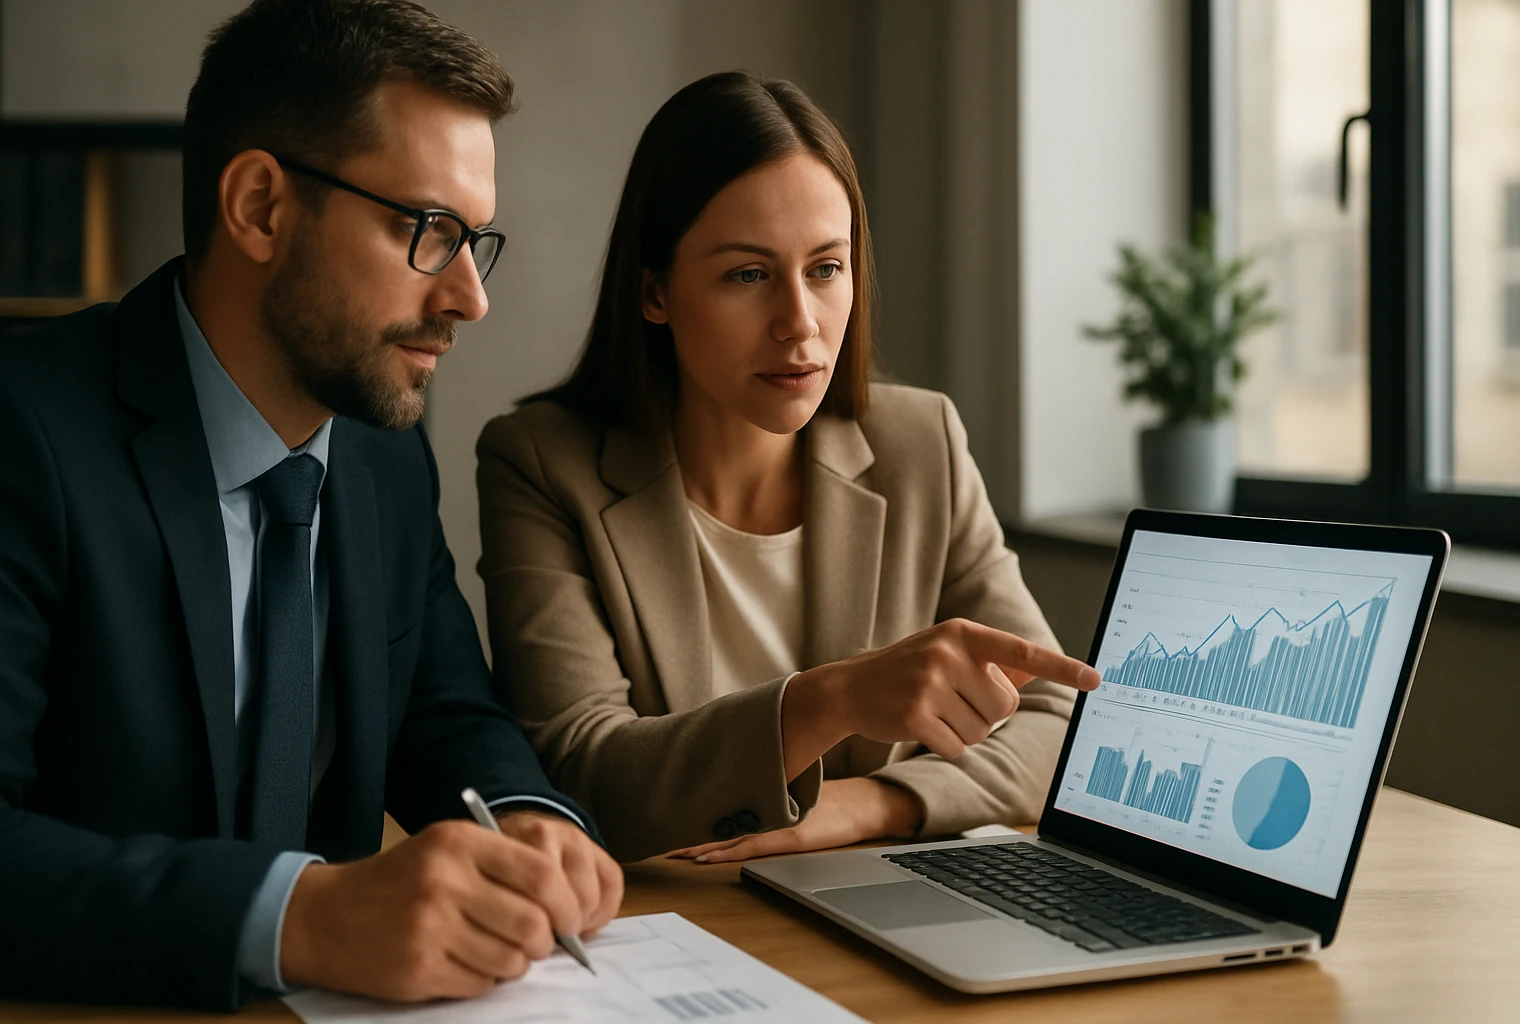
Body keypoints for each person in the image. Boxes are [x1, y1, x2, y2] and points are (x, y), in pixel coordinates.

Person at [0, 0, 621, 1011]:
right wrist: (300, 916)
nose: (470, 296)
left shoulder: (383, 447)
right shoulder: (27, 435)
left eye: (477, 240)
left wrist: (524, 817)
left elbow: (441, 709)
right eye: (427, 230)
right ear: (259, 207)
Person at [475, 72, 1102, 866]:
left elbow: (1056, 722)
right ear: (656, 291)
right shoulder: (540, 462)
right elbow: (581, 768)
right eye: (748, 274)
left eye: (826, 268)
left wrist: (872, 803)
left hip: (871, 909)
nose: (799, 324)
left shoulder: (921, 443)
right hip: (669, 929)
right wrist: (836, 698)